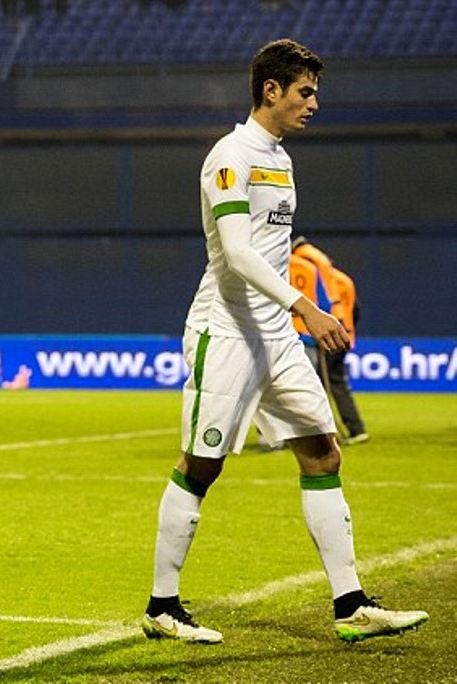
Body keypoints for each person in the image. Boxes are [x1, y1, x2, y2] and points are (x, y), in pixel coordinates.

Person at [142, 39, 427, 644]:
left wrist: (293, 319)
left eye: (314, 92)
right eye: (305, 91)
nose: (314, 103)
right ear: (270, 90)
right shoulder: (230, 156)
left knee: (323, 452)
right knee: (201, 465)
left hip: (274, 334)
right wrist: (308, 309)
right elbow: (239, 253)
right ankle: (161, 606)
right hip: (226, 331)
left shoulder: (280, 157)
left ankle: (350, 604)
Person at [291, 236, 368, 444]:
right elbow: (355, 309)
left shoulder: (299, 264)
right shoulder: (343, 279)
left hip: (316, 332)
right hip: (343, 331)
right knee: (336, 382)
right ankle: (354, 429)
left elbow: (319, 303)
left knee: (313, 386)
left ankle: (319, 434)